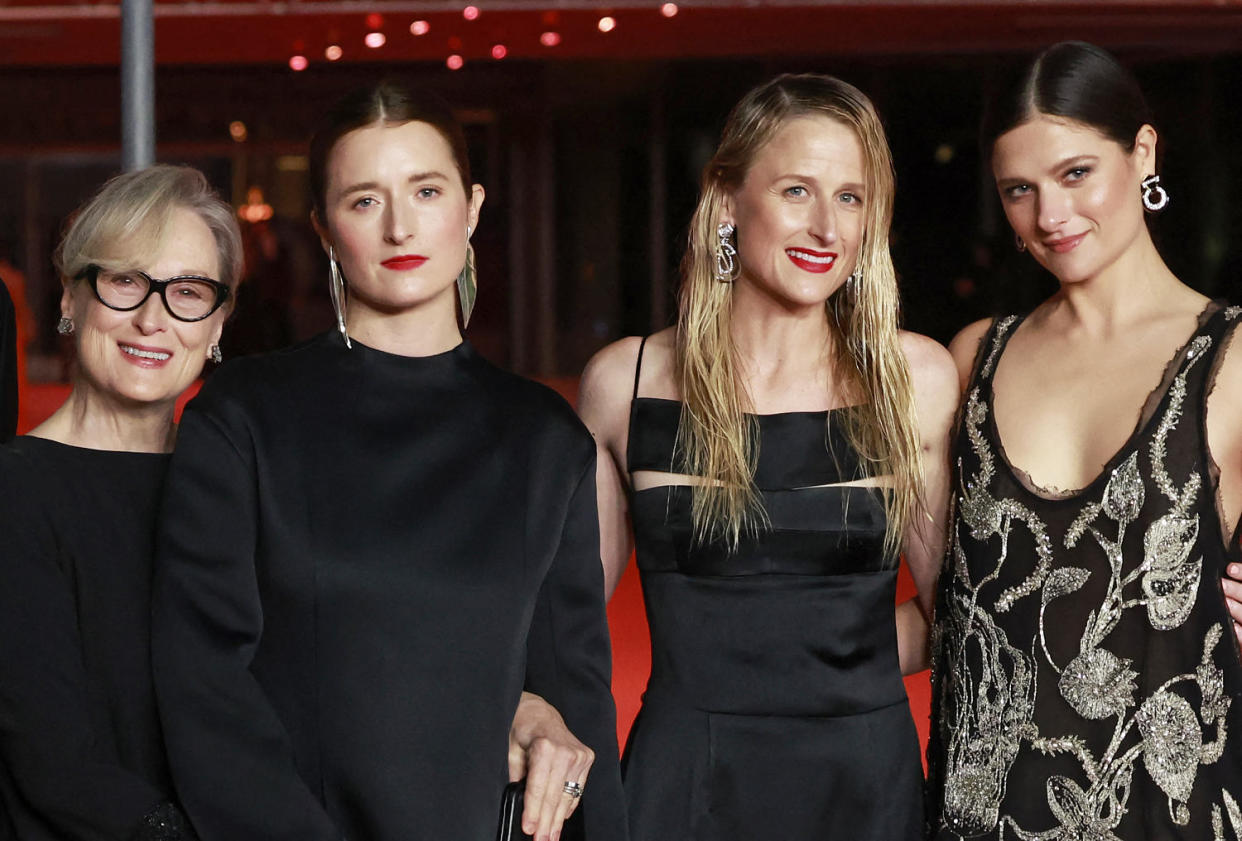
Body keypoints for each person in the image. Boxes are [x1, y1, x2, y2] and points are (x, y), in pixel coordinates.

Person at [150, 81, 627, 841]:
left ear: (471, 209)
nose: (401, 224)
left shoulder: (543, 439)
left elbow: (577, 708)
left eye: (426, 190)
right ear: (324, 228)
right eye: (365, 200)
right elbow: (203, 689)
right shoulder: (245, 414)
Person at [578, 74, 958, 840]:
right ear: (727, 202)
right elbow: (567, 619)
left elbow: (962, 614)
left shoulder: (913, 379)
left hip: (862, 782)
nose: (826, 226)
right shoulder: (628, 382)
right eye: (796, 190)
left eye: (850, 198)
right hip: (685, 783)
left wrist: (817, 654)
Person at [926, 41, 1242, 840]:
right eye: (1019, 191)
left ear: (1142, 152)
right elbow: (946, 603)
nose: (1051, 217)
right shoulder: (975, 358)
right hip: (978, 817)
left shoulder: (1232, 358)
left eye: (1075, 174)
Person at [0, 164, 241, 840]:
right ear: (72, 299)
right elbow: (56, 763)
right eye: (126, 281)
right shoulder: (16, 492)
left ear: (218, 323)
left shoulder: (235, 485)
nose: (152, 318)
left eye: (188, 291)